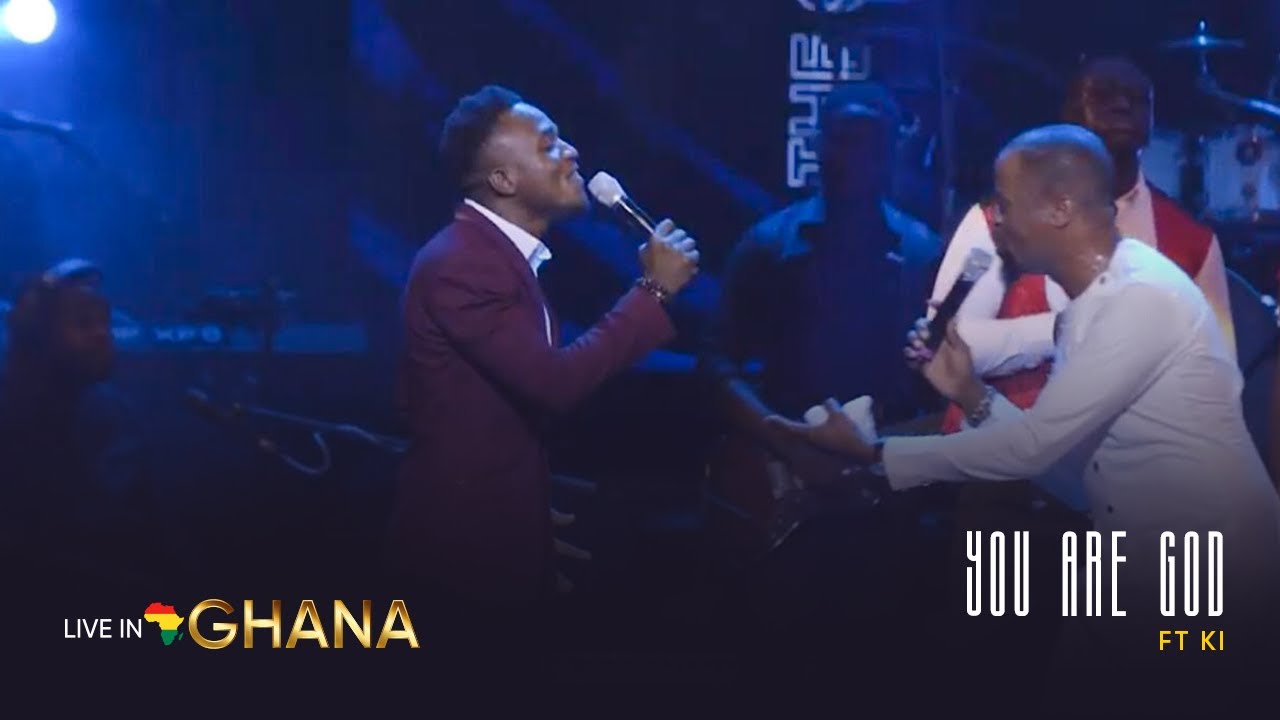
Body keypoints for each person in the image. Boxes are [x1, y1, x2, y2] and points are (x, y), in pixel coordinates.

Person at [769, 125, 1280, 711]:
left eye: (1005, 204)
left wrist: (875, 454)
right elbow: (1068, 475)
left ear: (1060, 209)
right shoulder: (1086, 305)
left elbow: (1034, 447)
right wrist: (972, 394)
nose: (995, 221)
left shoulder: (1142, 299)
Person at [387, 86, 699, 622]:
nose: (571, 153)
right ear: (503, 181)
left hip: (493, 538)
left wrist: (524, 517)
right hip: (458, 555)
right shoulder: (462, 263)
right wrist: (652, 291)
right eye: (549, 145)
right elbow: (555, 383)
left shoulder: (492, 256)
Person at [699, 82, 943, 665]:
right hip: (783, 493)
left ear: (893, 149)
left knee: (881, 660)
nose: (854, 153)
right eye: (842, 137)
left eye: (871, 139)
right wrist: (785, 441)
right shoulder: (767, 244)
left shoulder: (923, 252)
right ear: (817, 143)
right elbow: (715, 363)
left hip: (884, 500)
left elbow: (946, 389)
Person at [932, 57, 1235, 441]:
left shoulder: (1192, 241)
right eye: (1103, 95)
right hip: (989, 452)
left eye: (1137, 99)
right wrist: (1058, 329)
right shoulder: (999, 220)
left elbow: (1217, 375)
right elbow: (948, 348)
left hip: (1126, 464)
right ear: (1068, 113)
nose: (1122, 106)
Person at [0, 259, 157, 598]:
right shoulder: (101, 414)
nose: (102, 334)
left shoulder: (111, 411)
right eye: (84, 323)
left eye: (104, 323)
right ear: (38, 338)